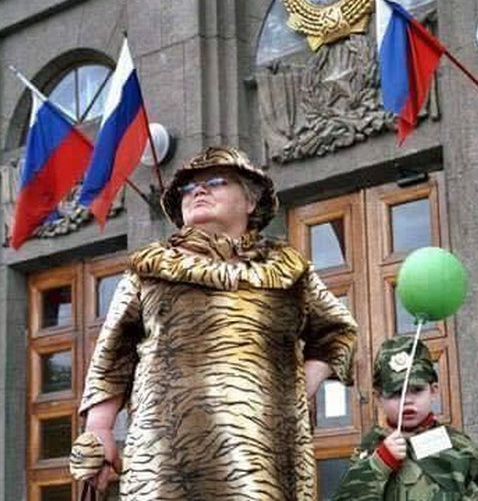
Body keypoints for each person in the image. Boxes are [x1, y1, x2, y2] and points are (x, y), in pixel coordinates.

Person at [69, 146, 358, 501]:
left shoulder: (288, 270)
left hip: (260, 462)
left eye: (216, 181)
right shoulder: (150, 270)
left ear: (250, 200)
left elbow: (338, 331)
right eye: (188, 188)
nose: (199, 191)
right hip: (165, 464)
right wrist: (99, 428)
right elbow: (113, 354)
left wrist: (297, 388)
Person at [332, 335, 478, 501]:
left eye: (416, 390)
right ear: (378, 398)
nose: (407, 400)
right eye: (396, 393)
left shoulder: (455, 443)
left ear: (434, 391)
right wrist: (380, 463)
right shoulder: (371, 447)